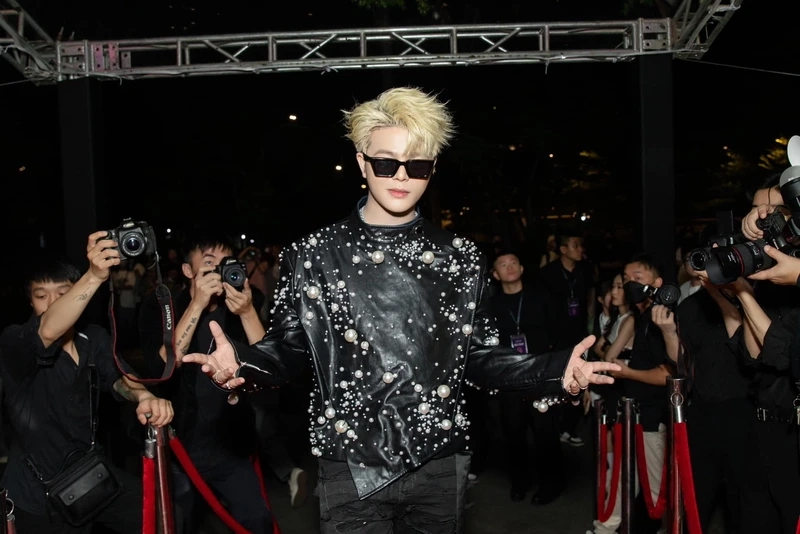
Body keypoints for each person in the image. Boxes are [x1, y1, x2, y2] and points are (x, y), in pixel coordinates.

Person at [183, 87, 620, 533]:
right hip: (349, 463)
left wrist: (554, 370)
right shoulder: (314, 254)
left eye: (418, 165)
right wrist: (244, 361)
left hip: (439, 462)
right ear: (362, 163)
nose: (402, 176)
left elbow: (479, 356)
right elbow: (292, 348)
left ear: (433, 169)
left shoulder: (460, 257)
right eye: (386, 162)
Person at [0, 235, 174, 534]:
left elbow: (119, 377)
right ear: (30, 300)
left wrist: (144, 396)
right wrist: (94, 275)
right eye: (42, 296)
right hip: (36, 498)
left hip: (91, 476)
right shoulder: (14, 341)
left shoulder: (92, 338)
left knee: (164, 515)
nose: (53, 303)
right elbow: (48, 329)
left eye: (63, 293)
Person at [138, 233, 277, 533]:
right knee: (180, 523)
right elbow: (163, 367)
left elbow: (269, 370)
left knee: (257, 520)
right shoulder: (161, 307)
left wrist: (248, 312)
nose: (219, 271)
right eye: (210, 263)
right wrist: (197, 304)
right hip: (181, 445)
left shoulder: (240, 304)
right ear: (188, 270)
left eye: (225, 262)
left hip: (229, 442)